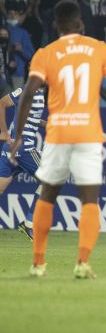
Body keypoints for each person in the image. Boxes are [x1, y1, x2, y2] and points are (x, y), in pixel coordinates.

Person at [8, 0, 106, 279]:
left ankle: (38, 263)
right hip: (88, 135)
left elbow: (28, 94)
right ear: (80, 23)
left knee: (46, 196)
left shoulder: (46, 53)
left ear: (55, 25)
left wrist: (18, 136)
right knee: (89, 200)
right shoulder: (99, 49)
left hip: (58, 134)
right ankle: (82, 263)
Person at [0, 86, 44, 240]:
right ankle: (28, 224)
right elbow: (2, 103)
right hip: (25, 149)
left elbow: (29, 117)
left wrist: (46, 124)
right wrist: (4, 132)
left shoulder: (36, 92)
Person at [5, 7, 34, 88]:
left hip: (17, 73)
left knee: (16, 99)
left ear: (19, 16)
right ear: (6, 15)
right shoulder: (2, 30)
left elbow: (31, 56)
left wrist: (21, 50)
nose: (12, 16)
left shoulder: (23, 33)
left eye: (15, 14)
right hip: (2, 74)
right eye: (10, 13)